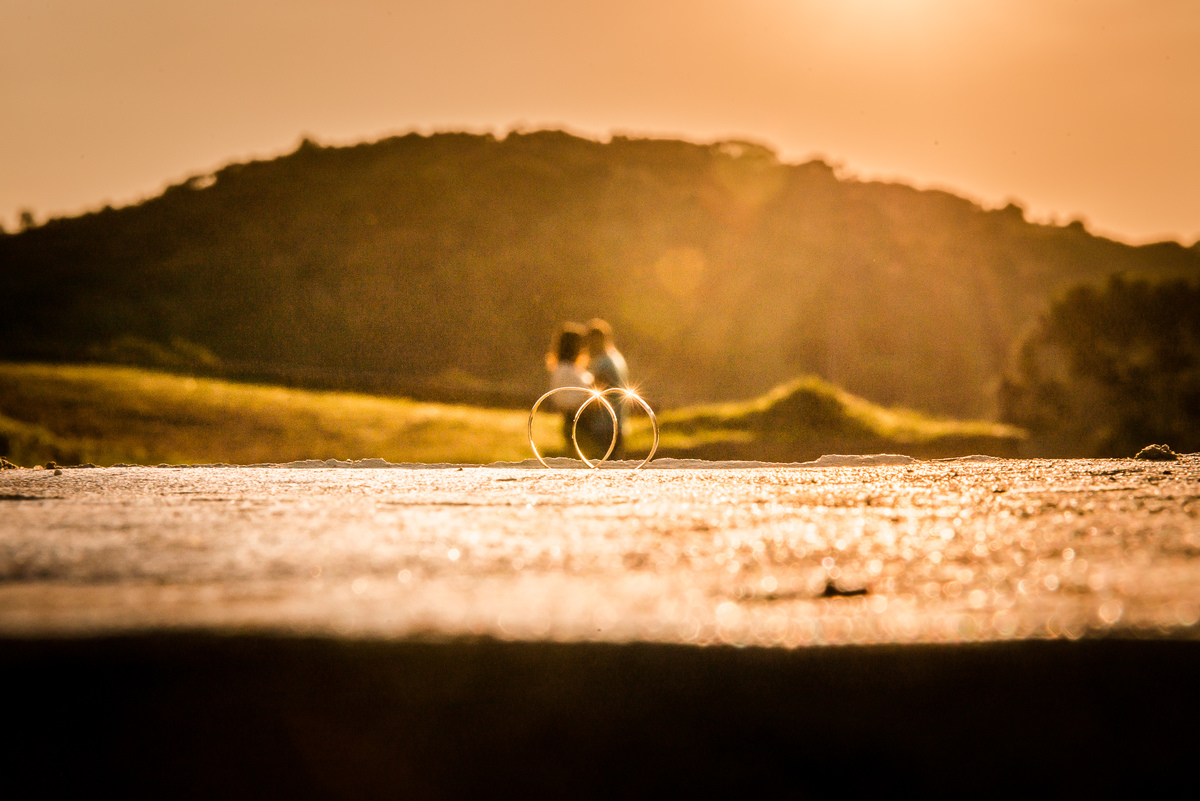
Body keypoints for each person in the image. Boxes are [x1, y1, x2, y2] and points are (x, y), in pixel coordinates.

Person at [583, 318, 630, 459]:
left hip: (603, 427)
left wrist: (581, 418)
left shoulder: (603, 363)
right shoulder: (617, 358)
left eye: (589, 341)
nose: (587, 346)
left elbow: (596, 398)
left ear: (596, 339)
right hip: (619, 423)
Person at [545, 323, 594, 453]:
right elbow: (565, 399)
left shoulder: (568, 369)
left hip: (578, 421)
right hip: (577, 422)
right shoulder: (565, 370)